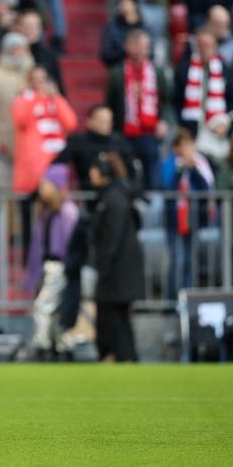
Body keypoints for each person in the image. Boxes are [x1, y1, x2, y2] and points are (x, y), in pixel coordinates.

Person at [89, 152, 143, 362]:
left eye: (94, 169)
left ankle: (120, 356)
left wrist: (103, 266)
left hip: (119, 269)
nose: (91, 174)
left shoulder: (114, 199)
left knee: (115, 315)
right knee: (118, 315)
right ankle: (124, 357)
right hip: (121, 267)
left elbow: (112, 237)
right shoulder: (114, 196)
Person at [25, 164, 79, 359]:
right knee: (53, 308)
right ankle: (59, 344)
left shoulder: (66, 212)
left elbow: (70, 244)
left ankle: (45, 344)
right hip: (50, 266)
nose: (42, 189)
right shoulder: (48, 211)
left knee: (44, 307)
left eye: (46, 185)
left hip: (59, 266)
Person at [105, 30, 170, 189]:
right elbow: (110, 102)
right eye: (138, 45)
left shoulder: (157, 72)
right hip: (124, 133)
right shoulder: (117, 73)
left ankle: (153, 211)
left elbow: (167, 100)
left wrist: (164, 120)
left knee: (153, 179)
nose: (142, 50)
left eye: (145, 46)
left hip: (149, 133)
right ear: (128, 47)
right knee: (124, 178)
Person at [160, 129, 215, 298]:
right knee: (177, 260)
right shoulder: (169, 163)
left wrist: (194, 170)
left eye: (190, 145)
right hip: (174, 219)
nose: (188, 149)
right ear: (176, 148)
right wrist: (180, 169)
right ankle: (172, 300)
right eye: (184, 145)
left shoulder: (200, 163)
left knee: (191, 261)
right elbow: (168, 188)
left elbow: (206, 189)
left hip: (193, 218)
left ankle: (189, 299)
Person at [0, 32, 34, 190]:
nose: (21, 52)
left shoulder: (32, 74)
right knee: (3, 190)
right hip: (4, 144)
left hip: (29, 145)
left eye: (24, 48)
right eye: (17, 48)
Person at [11, 66, 77, 194]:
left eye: (42, 79)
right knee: (29, 206)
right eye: (35, 79)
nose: (39, 83)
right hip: (31, 164)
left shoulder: (56, 100)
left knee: (53, 205)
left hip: (54, 160)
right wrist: (35, 97)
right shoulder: (23, 99)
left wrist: (57, 98)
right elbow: (20, 120)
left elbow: (71, 124)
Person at [55, 104, 137, 193]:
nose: (106, 125)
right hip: (90, 191)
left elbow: (132, 170)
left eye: (109, 121)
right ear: (89, 121)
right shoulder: (79, 141)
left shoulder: (120, 141)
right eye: (102, 121)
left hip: (120, 189)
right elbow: (59, 162)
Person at [174, 27, 233, 137]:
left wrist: (227, 122)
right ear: (196, 46)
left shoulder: (226, 70)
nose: (205, 49)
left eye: (208, 46)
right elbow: (176, 100)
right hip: (190, 130)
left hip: (218, 130)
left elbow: (231, 102)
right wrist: (182, 126)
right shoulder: (184, 69)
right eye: (201, 45)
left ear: (215, 46)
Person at [19, 10, 65, 94]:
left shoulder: (49, 54)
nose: (30, 30)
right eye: (27, 26)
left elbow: (58, 84)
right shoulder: (12, 54)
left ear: (40, 29)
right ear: (21, 28)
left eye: (34, 27)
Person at [100, 0, 148, 68]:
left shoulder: (144, 28)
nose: (123, 6)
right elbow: (105, 54)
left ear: (134, 5)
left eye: (126, 3)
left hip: (143, 71)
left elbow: (151, 54)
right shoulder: (112, 28)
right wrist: (126, 50)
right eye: (121, 3)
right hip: (120, 71)